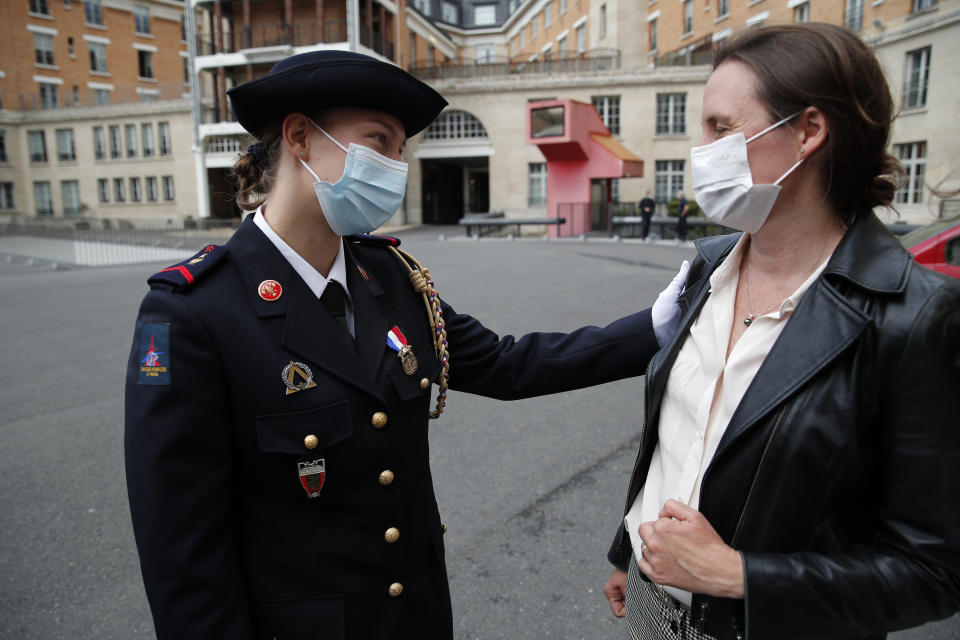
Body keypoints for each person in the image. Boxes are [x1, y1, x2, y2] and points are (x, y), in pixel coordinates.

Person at [124, 50, 688, 640]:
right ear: (298, 137)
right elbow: (182, 553)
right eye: (379, 141)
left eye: (400, 151)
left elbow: (506, 363)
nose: (395, 167)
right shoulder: (193, 311)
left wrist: (658, 325)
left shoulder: (389, 278)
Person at [602, 23, 960, 640]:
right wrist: (630, 547)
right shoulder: (709, 267)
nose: (701, 149)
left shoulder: (914, 317)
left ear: (808, 132)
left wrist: (740, 575)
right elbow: (679, 437)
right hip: (651, 603)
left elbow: (933, 570)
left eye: (720, 127)